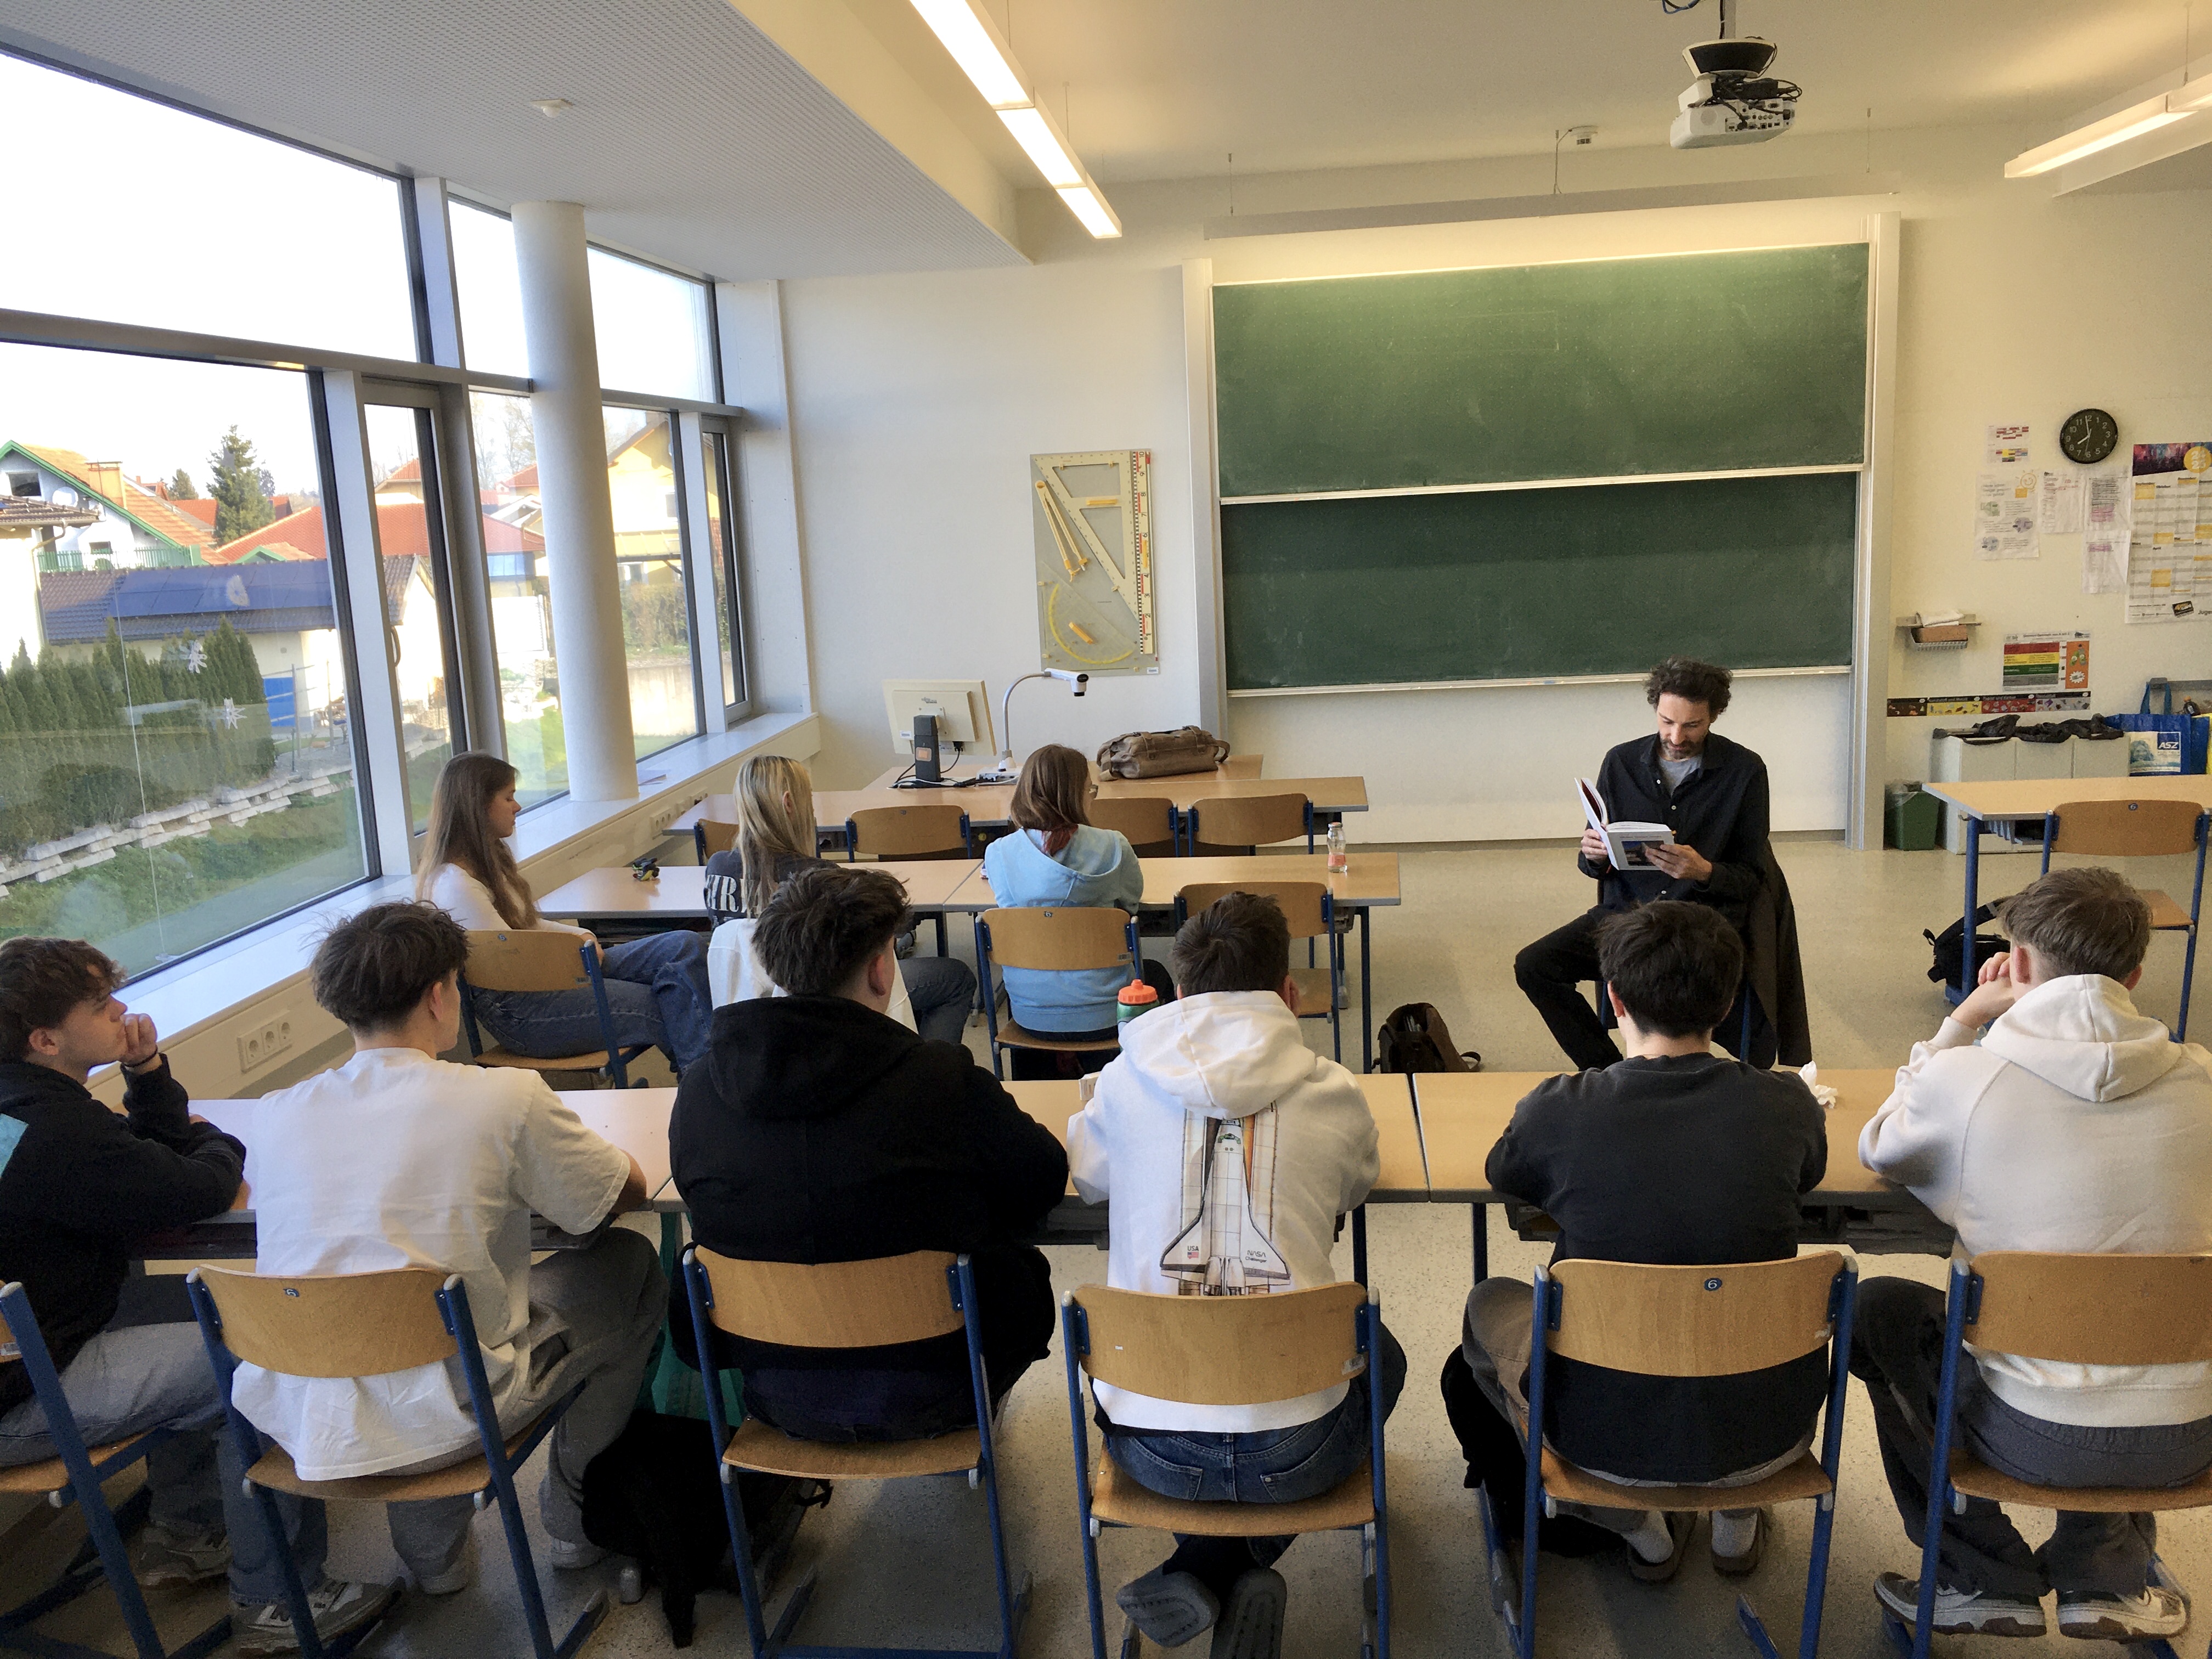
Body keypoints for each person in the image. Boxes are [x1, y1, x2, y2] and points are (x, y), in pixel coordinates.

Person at [229, 901, 664, 1601]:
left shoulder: (276, 1112)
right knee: (630, 1263)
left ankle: (434, 1562)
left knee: (405, 1324)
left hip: (302, 1411)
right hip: (451, 1407)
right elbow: (623, 1190)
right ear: (439, 994)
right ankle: (572, 1521)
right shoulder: (505, 1098)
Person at [0, 936, 394, 1657]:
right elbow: (198, 1186)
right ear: (45, 1038)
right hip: (23, 1397)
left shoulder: (24, 1106)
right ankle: (278, 1600)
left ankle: (186, 1533)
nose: (122, 1009)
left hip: (39, 1346)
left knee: (202, 1305)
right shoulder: (59, 1132)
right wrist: (217, 1143)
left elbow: (142, 1167)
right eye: (100, 1004)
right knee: (263, 1353)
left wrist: (145, 1073)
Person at [1854, 866, 2212, 1644]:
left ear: (2014, 965)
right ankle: (2106, 1579)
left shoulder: (1966, 1081)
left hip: (2029, 1437)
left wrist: (1961, 1025)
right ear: (2137, 974)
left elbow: (1880, 1146)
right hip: (2192, 1436)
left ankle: (1980, 1573)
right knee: (2143, 1309)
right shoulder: (2204, 1080)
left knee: (1880, 1311)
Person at [1451, 901, 1826, 1582]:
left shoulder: (1560, 1108)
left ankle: (1639, 1529)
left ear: (1614, 1000)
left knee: (1488, 1304)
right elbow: (1811, 1175)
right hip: (1767, 1434)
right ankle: (1737, 1524)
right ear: (1730, 997)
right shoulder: (1788, 1106)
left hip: (1602, 1442)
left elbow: (1504, 1173)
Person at [1065, 891, 1397, 1659]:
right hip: (1299, 1453)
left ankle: (1206, 1565)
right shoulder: (1335, 1089)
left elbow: (1086, 1177)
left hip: (1152, 1446)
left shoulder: (1122, 1078)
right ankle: (1221, 1566)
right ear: (1289, 993)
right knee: (1382, 1351)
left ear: (1180, 993)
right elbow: (1355, 1185)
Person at [670, 863, 1066, 1441]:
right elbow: (1043, 1178)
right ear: (882, 971)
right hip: (941, 1383)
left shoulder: (701, 1089)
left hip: (776, 1391)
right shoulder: (939, 1079)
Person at [1514, 657, 1774, 1071]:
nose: (1676, 736)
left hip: (1700, 925)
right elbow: (1592, 863)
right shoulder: (1620, 763)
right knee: (1534, 966)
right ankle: (1608, 1071)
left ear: (1714, 717)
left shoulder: (1744, 771)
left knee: (1679, 993)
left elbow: (1753, 877)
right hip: (1626, 917)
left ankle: (1697, 1078)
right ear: (1656, 708)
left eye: (1693, 726)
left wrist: (1703, 870)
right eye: (1667, 721)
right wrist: (1593, 854)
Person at [418, 751, 716, 1070]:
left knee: (685, 945)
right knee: (667, 999)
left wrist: (581, 935)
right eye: (508, 798)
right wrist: (575, 955)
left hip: (550, 982)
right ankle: (708, 1091)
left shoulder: (488, 860)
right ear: (478, 807)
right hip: (524, 1012)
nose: (517, 807)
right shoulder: (456, 884)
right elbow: (512, 962)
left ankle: (705, 1081)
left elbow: (528, 927)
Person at [700, 752, 975, 1045]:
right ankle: (924, 1068)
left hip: (751, 1013)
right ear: (790, 803)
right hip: (826, 1005)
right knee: (954, 978)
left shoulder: (717, 868)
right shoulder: (818, 878)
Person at [979, 744, 1172, 1079]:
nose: (1092, 798)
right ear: (1075, 796)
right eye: (1090, 790)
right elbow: (1129, 910)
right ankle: (1141, 1082)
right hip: (1108, 1015)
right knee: (1156, 974)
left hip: (1031, 1017)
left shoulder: (999, 854)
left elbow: (1014, 917)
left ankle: (1038, 1086)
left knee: (1030, 971)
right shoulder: (1114, 846)